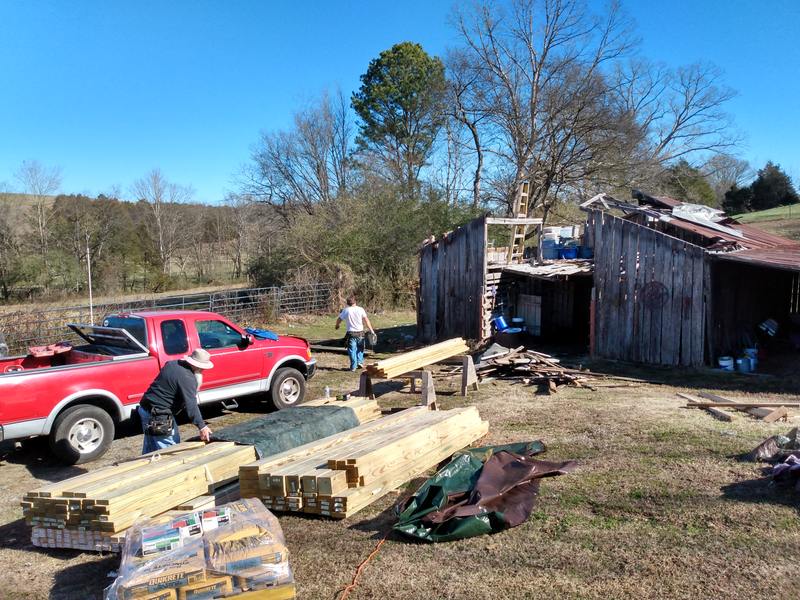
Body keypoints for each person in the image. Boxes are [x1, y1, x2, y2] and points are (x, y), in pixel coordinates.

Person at [138, 348, 214, 454]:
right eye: (203, 368)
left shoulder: (173, 364)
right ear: (197, 366)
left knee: (151, 449)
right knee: (171, 451)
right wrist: (202, 426)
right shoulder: (187, 378)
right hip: (159, 416)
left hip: (145, 408)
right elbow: (191, 405)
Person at [335, 296, 376, 371]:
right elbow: (366, 320)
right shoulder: (360, 309)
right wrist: (371, 330)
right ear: (355, 301)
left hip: (351, 334)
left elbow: (339, 319)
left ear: (348, 303)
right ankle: (360, 361)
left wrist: (337, 325)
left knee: (352, 350)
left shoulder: (346, 311)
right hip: (360, 333)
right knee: (360, 347)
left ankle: (353, 366)